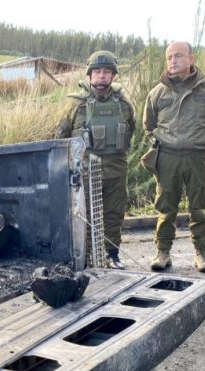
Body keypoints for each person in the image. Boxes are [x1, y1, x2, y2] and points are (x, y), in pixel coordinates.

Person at [143, 41, 205, 273]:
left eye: (178, 56)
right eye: (169, 57)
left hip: (198, 157)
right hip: (168, 158)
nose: (173, 61)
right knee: (166, 208)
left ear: (191, 58)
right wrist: (160, 143)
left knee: (199, 207)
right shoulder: (157, 92)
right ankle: (163, 252)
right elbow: (149, 125)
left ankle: (201, 253)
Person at [58, 50, 136, 269]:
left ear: (113, 76)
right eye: (98, 71)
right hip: (84, 173)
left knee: (114, 215)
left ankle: (112, 255)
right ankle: (88, 258)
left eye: (107, 72)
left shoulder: (124, 105)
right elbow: (60, 138)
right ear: (89, 75)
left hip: (116, 171)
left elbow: (131, 131)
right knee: (85, 217)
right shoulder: (74, 105)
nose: (102, 76)